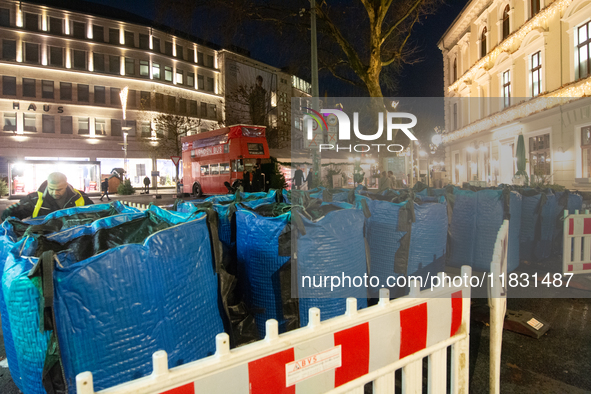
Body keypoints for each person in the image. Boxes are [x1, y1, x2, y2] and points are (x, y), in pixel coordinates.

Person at [1, 172, 93, 220]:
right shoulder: (34, 199)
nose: (55, 192)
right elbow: (14, 216)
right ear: (48, 184)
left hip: (75, 239)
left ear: (66, 185)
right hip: (43, 240)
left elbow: (96, 213)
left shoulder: (80, 197)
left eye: (59, 189)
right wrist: (10, 212)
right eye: (51, 189)